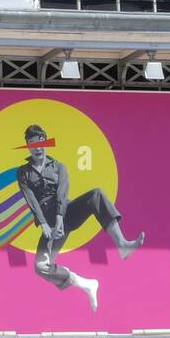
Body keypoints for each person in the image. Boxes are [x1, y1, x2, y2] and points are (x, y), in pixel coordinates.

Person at [15, 123, 144, 312]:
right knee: (41, 266)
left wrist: (59, 219)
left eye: (41, 143)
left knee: (96, 195)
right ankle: (85, 284)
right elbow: (31, 200)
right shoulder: (23, 172)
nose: (38, 148)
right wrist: (44, 224)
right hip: (48, 224)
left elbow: (62, 193)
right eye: (33, 144)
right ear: (28, 146)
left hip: (66, 213)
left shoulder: (59, 167)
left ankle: (122, 244)